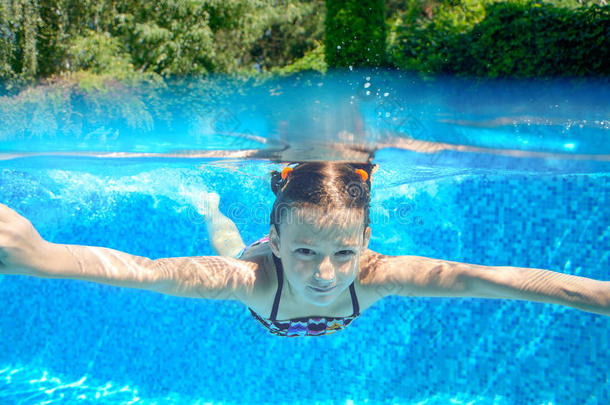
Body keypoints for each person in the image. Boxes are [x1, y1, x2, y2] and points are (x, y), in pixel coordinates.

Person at [0, 162, 608, 338]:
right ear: (282, 238)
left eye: (343, 254)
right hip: (255, 266)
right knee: (231, 247)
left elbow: (489, 279)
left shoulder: (376, 273)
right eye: (304, 253)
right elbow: (150, 272)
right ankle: (212, 209)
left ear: (365, 242)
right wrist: (43, 255)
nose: (324, 275)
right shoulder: (255, 279)